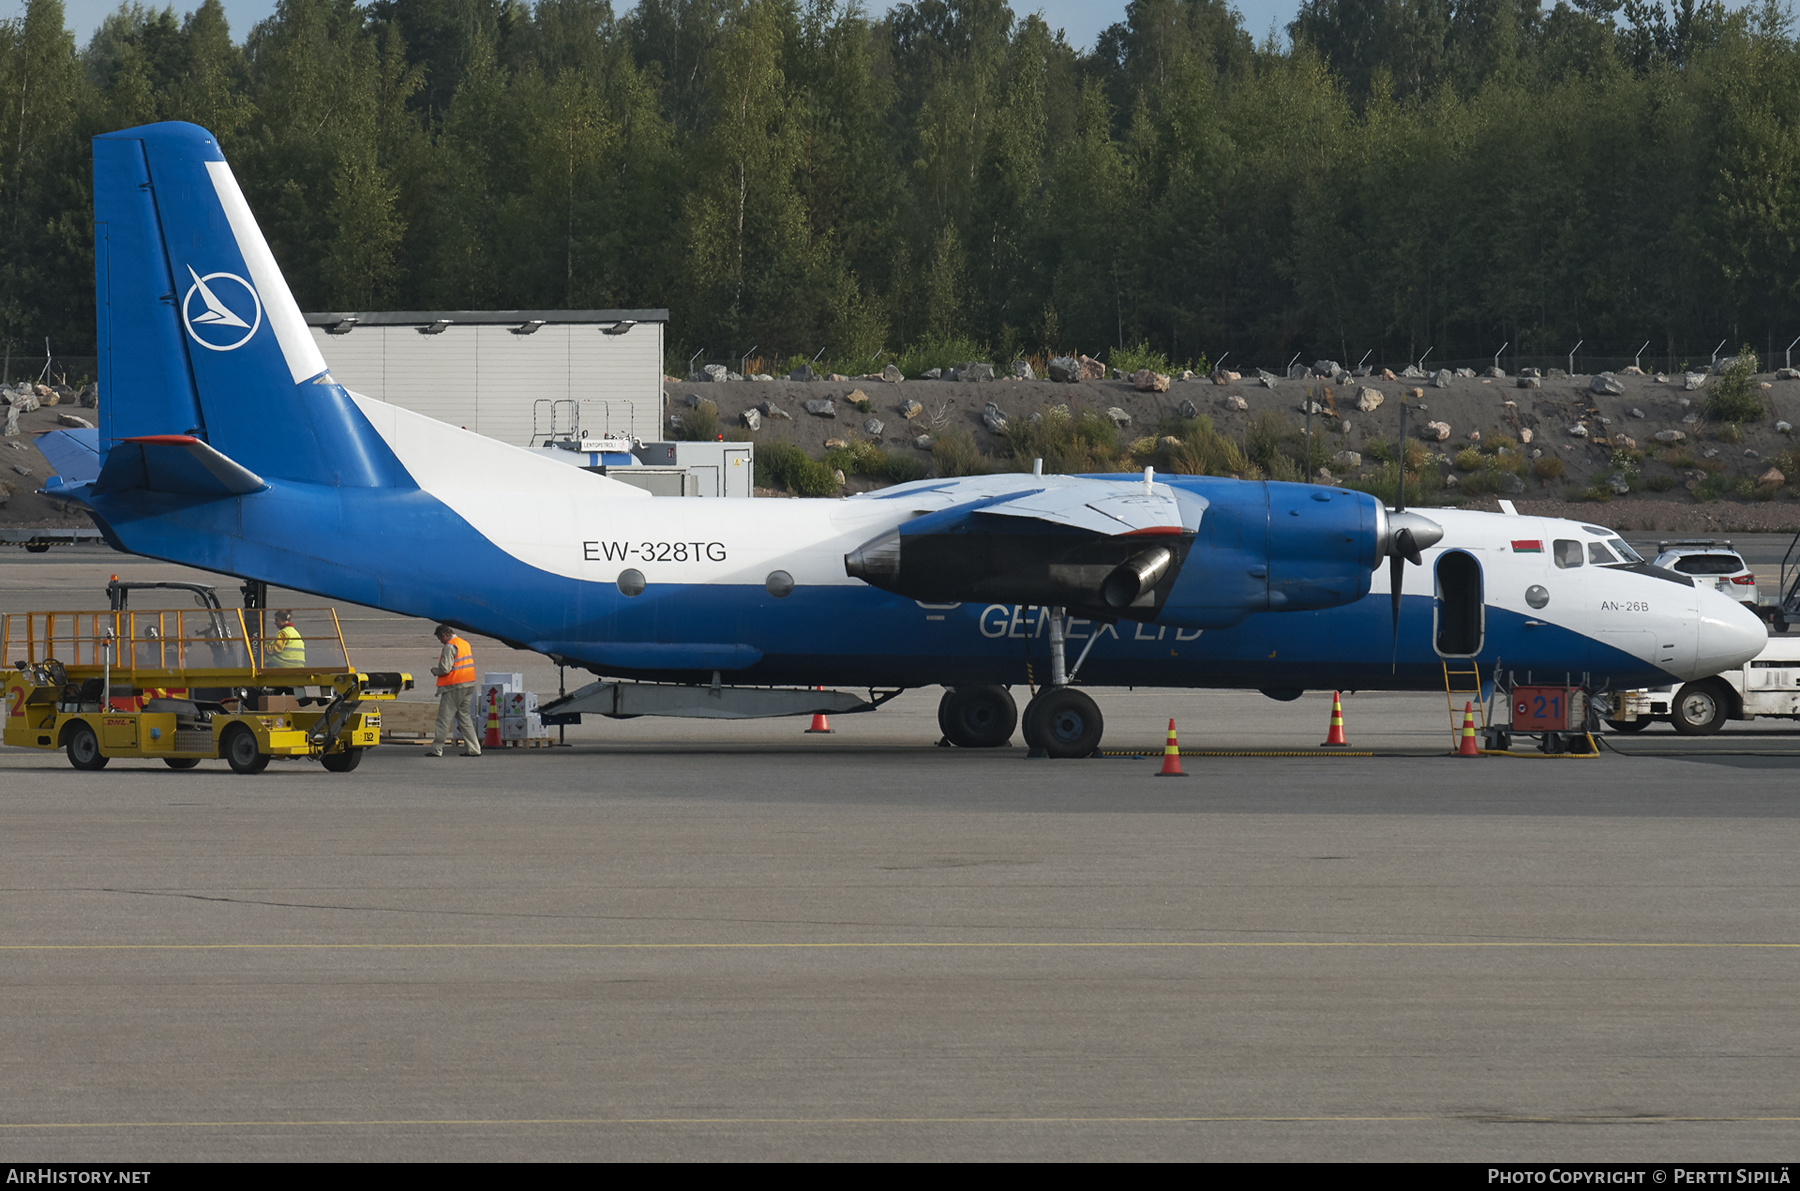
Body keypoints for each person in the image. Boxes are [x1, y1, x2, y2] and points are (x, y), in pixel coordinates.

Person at [428, 623, 481, 757]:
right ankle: (474, 749)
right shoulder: (464, 643)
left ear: (444, 635)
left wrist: (435, 671)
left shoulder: (450, 646)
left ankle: (437, 749)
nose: (440, 642)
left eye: (440, 639)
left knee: (443, 719)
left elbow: (445, 668)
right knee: (464, 718)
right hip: (469, 685)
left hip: (454, 686)